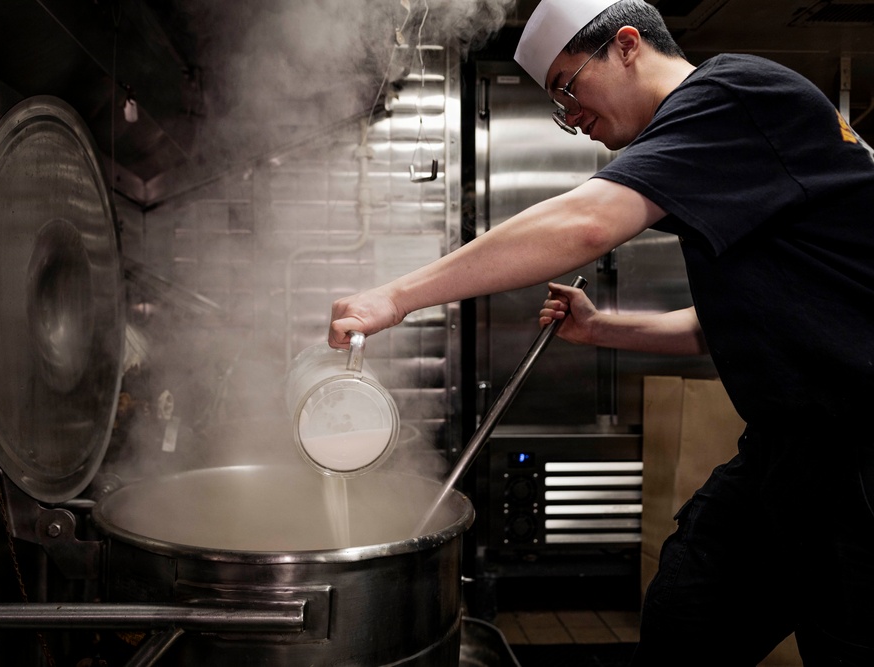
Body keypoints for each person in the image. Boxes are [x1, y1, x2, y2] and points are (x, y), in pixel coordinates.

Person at [328, 0, 874, 663]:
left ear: (625, 45)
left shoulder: (733, 93)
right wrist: (603, 328)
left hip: (857, 449)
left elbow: (585, 223)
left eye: (567, 88)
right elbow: (728, 326)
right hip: (789, 452)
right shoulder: (714, 146)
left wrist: (398, 296)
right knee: (687, 611)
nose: (572, 118)